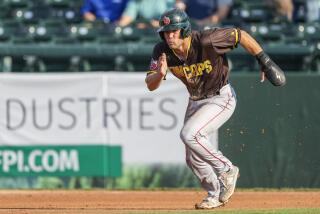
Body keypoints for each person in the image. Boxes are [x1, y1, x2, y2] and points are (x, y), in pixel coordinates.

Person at [145, 8, 285, 209]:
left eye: (174, 30)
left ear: (184, 30)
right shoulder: (162, 51)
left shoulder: (206, 40)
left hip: (221, 97)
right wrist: (159, 74)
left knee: (189, 134)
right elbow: (150, 84)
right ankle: (215, 194)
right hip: (196, 100)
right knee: (192, 157)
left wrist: (264, 60)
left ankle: (227, 169)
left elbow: (240, 35)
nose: (170, 35)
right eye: (166, 32)